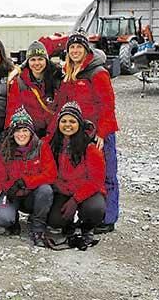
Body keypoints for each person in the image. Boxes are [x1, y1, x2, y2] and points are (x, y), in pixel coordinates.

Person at [56, 29, 119, 233]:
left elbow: (107, 106)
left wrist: (102, 133)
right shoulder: (68, 73)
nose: (75, 51)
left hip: (98, 133)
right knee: (81, 173)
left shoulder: (97, 73)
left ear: (86, 49)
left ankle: (108, 218)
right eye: (71, 47)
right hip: (76, 133)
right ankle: (83, 213)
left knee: (107, 174)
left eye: (78, 47)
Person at [0, 107, 56, 246]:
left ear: (31, 132)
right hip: (13, 193)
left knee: (46, 190)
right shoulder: (6, 150)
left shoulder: (41, 147)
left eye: (25, 130)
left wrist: (25, 182)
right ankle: (13, 220)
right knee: (3, 219)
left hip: (32, 194)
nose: (21, 134)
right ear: (12, 133)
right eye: (17, 130)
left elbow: (50, 174)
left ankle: (38, 228)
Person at [48, 101, 105, 247]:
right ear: (58, 123)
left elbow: (96, 181)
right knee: (55, 219)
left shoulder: (90, 148)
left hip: (85, 190)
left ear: (79, 124)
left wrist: (75, 200)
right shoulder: (52, 144)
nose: (68, 125)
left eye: (72, 121)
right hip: (62, 189)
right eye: (64, 121)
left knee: (95, 209)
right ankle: (68, 225)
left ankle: (87, 227)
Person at [6, 41, 63, 138]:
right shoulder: (20, 82)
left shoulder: (58, 79)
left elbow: (62, 108)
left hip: (55, 133)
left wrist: (50, 133)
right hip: (30, 134)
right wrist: (9, 132)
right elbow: (13, 110)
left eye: (40, 59)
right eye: (33, 59)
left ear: (46, 60)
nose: (37, 63)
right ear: (27, 62)